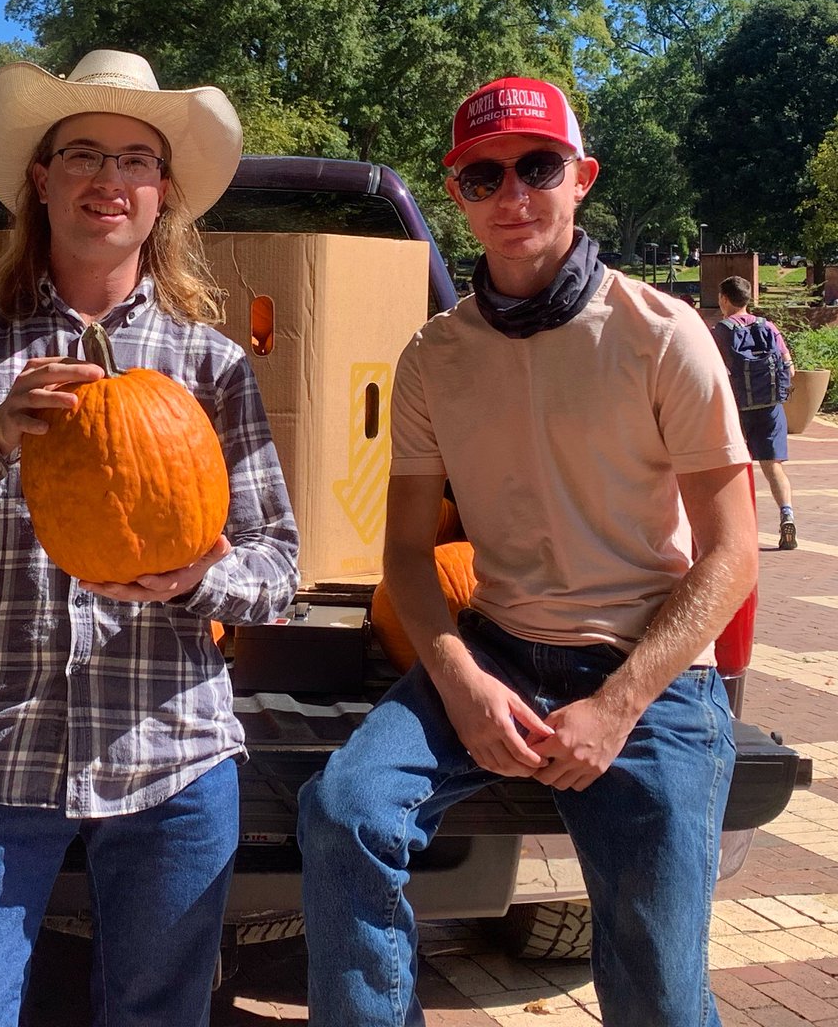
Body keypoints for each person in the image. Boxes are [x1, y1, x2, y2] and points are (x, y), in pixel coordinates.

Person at [0, 49, 299, 1027]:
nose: (109, 177)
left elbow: (277, 568)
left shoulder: (209, 364)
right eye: (83, 153)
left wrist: (199, 578)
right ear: (41, 182)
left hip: (170, 760)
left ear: (161, 193)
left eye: (135, 159)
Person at [298, 76, 757, 1027]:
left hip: (652, 675)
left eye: (537, 168)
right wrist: (460, 682)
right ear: (456, 193)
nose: (512, 197)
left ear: (581, 176)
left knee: (661, 990)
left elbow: (732, 554)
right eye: (483, 176)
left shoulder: (665, 336)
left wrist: (617, 704)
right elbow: (409, 559)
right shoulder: (434, 356)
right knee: (343, 813)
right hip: (498, 648)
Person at [714, 275, 798, 550]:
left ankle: (737, 530)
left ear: (725, 299)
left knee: (733, 468)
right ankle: (787, 513)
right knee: (773, 466)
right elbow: (789, 367)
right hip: (770, 406)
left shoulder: (721, 331)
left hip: (736, 408)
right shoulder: (768, 327)